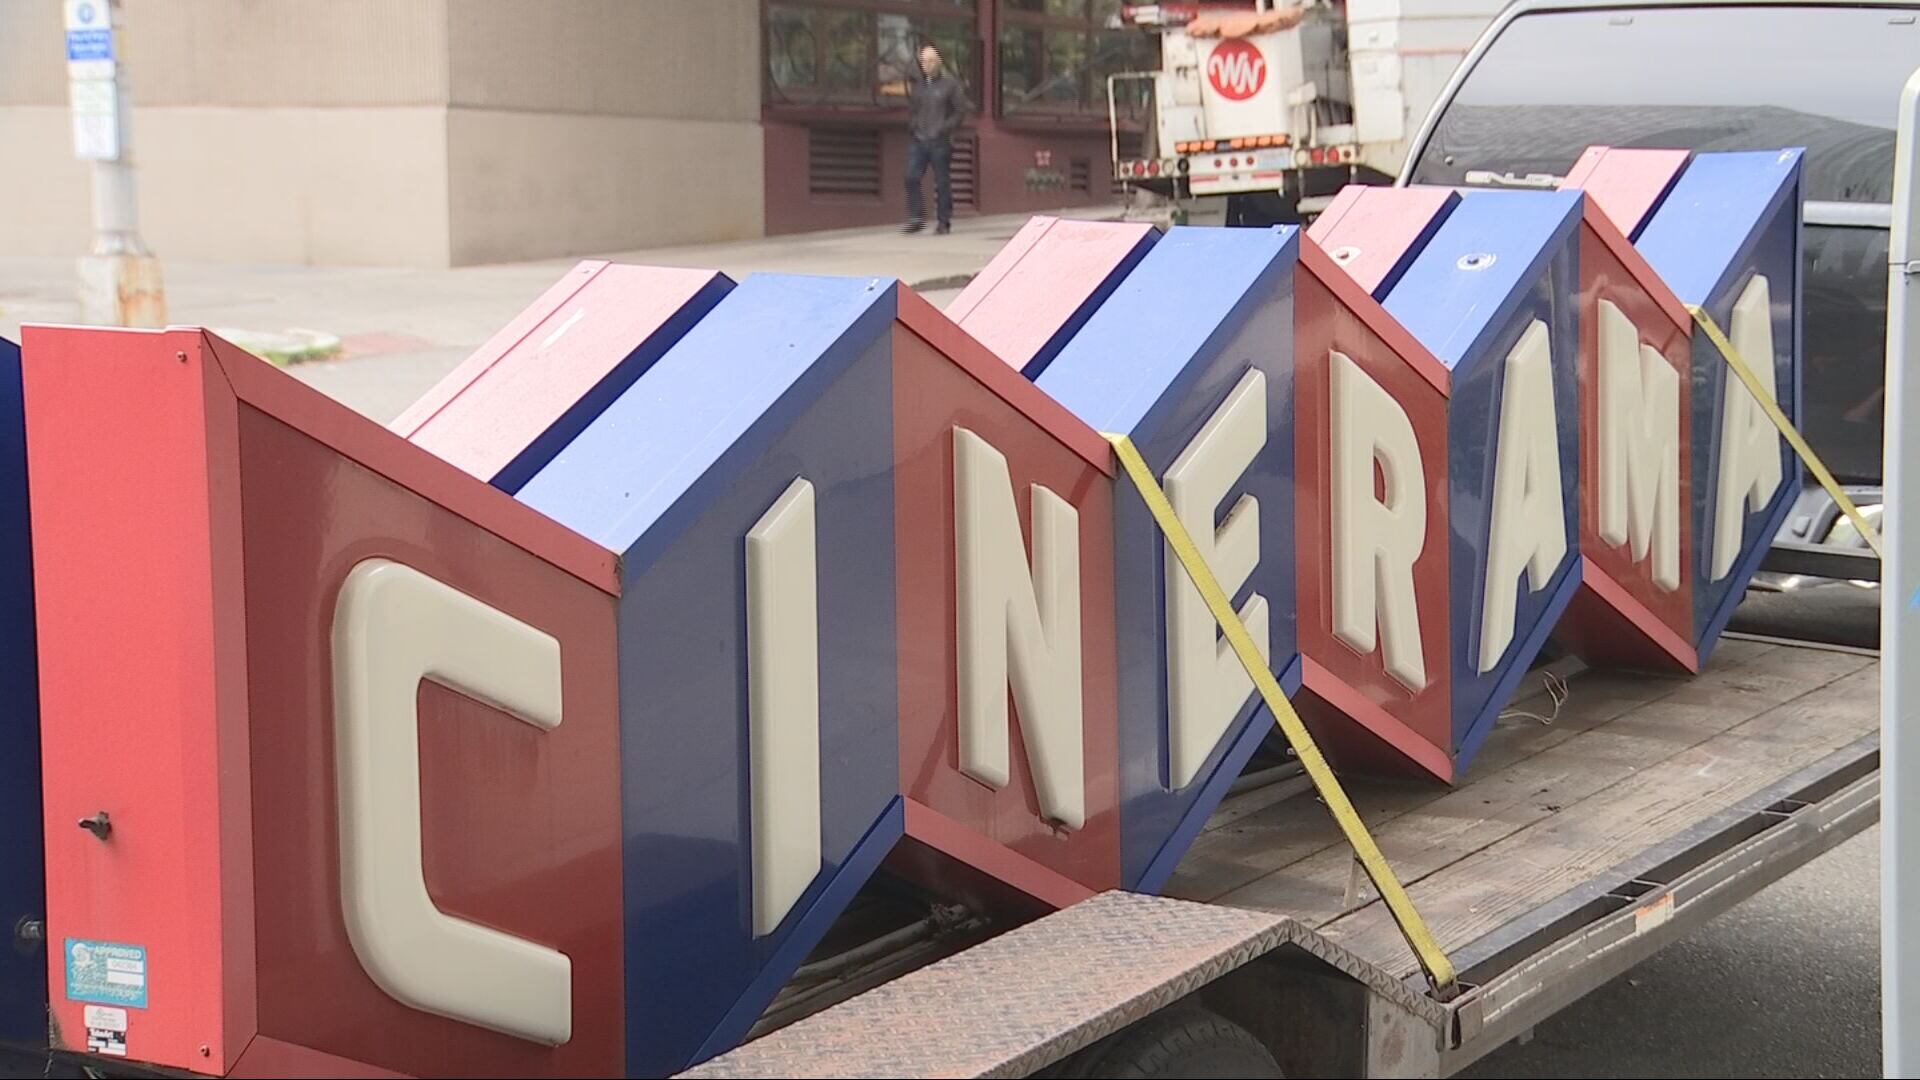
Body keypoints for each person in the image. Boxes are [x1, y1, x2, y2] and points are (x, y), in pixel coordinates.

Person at [904, 44, 970, 235]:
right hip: (919, 139)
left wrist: (944, 128)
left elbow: (960, 111)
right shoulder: (918, 87)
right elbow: (913, 110)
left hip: (940, 141)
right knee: (911, 176)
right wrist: (914, 126)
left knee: (941, 182)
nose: (927, 65)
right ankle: (916, 217)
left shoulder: (950, 85)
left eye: (931, 60)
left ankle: (944, 220)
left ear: (939, 62)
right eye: (924, 61)